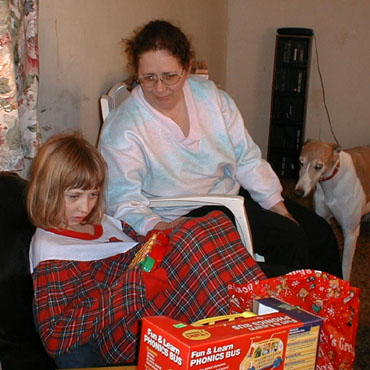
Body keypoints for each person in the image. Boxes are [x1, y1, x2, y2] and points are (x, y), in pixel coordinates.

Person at [98, 19, 343, 278]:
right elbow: (122, 202)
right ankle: (290, 311)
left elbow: (246, 158)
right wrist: (164, 227)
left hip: (230, 199)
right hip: (181, 216)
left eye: (170, 76)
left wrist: (279, 207)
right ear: (136, 73)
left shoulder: (210, 97)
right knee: (290, 239)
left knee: (320, 234)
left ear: (187, 68)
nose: (160, 88)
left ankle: (331, 314)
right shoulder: (124, 127)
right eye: (148, 78)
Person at [27, 133, 265, 368]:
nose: (85, 206)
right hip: (120, 330)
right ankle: (254, 331)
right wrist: (133, 289)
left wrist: (156, 241)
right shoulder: (51, 253)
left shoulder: (104, 222)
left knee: (211, 223)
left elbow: (140, 247)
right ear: (48, 191)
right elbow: (55, 336)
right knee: (191, 239)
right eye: (74, 196)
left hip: (152, 295)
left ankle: (259, 316)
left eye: (93, 195)